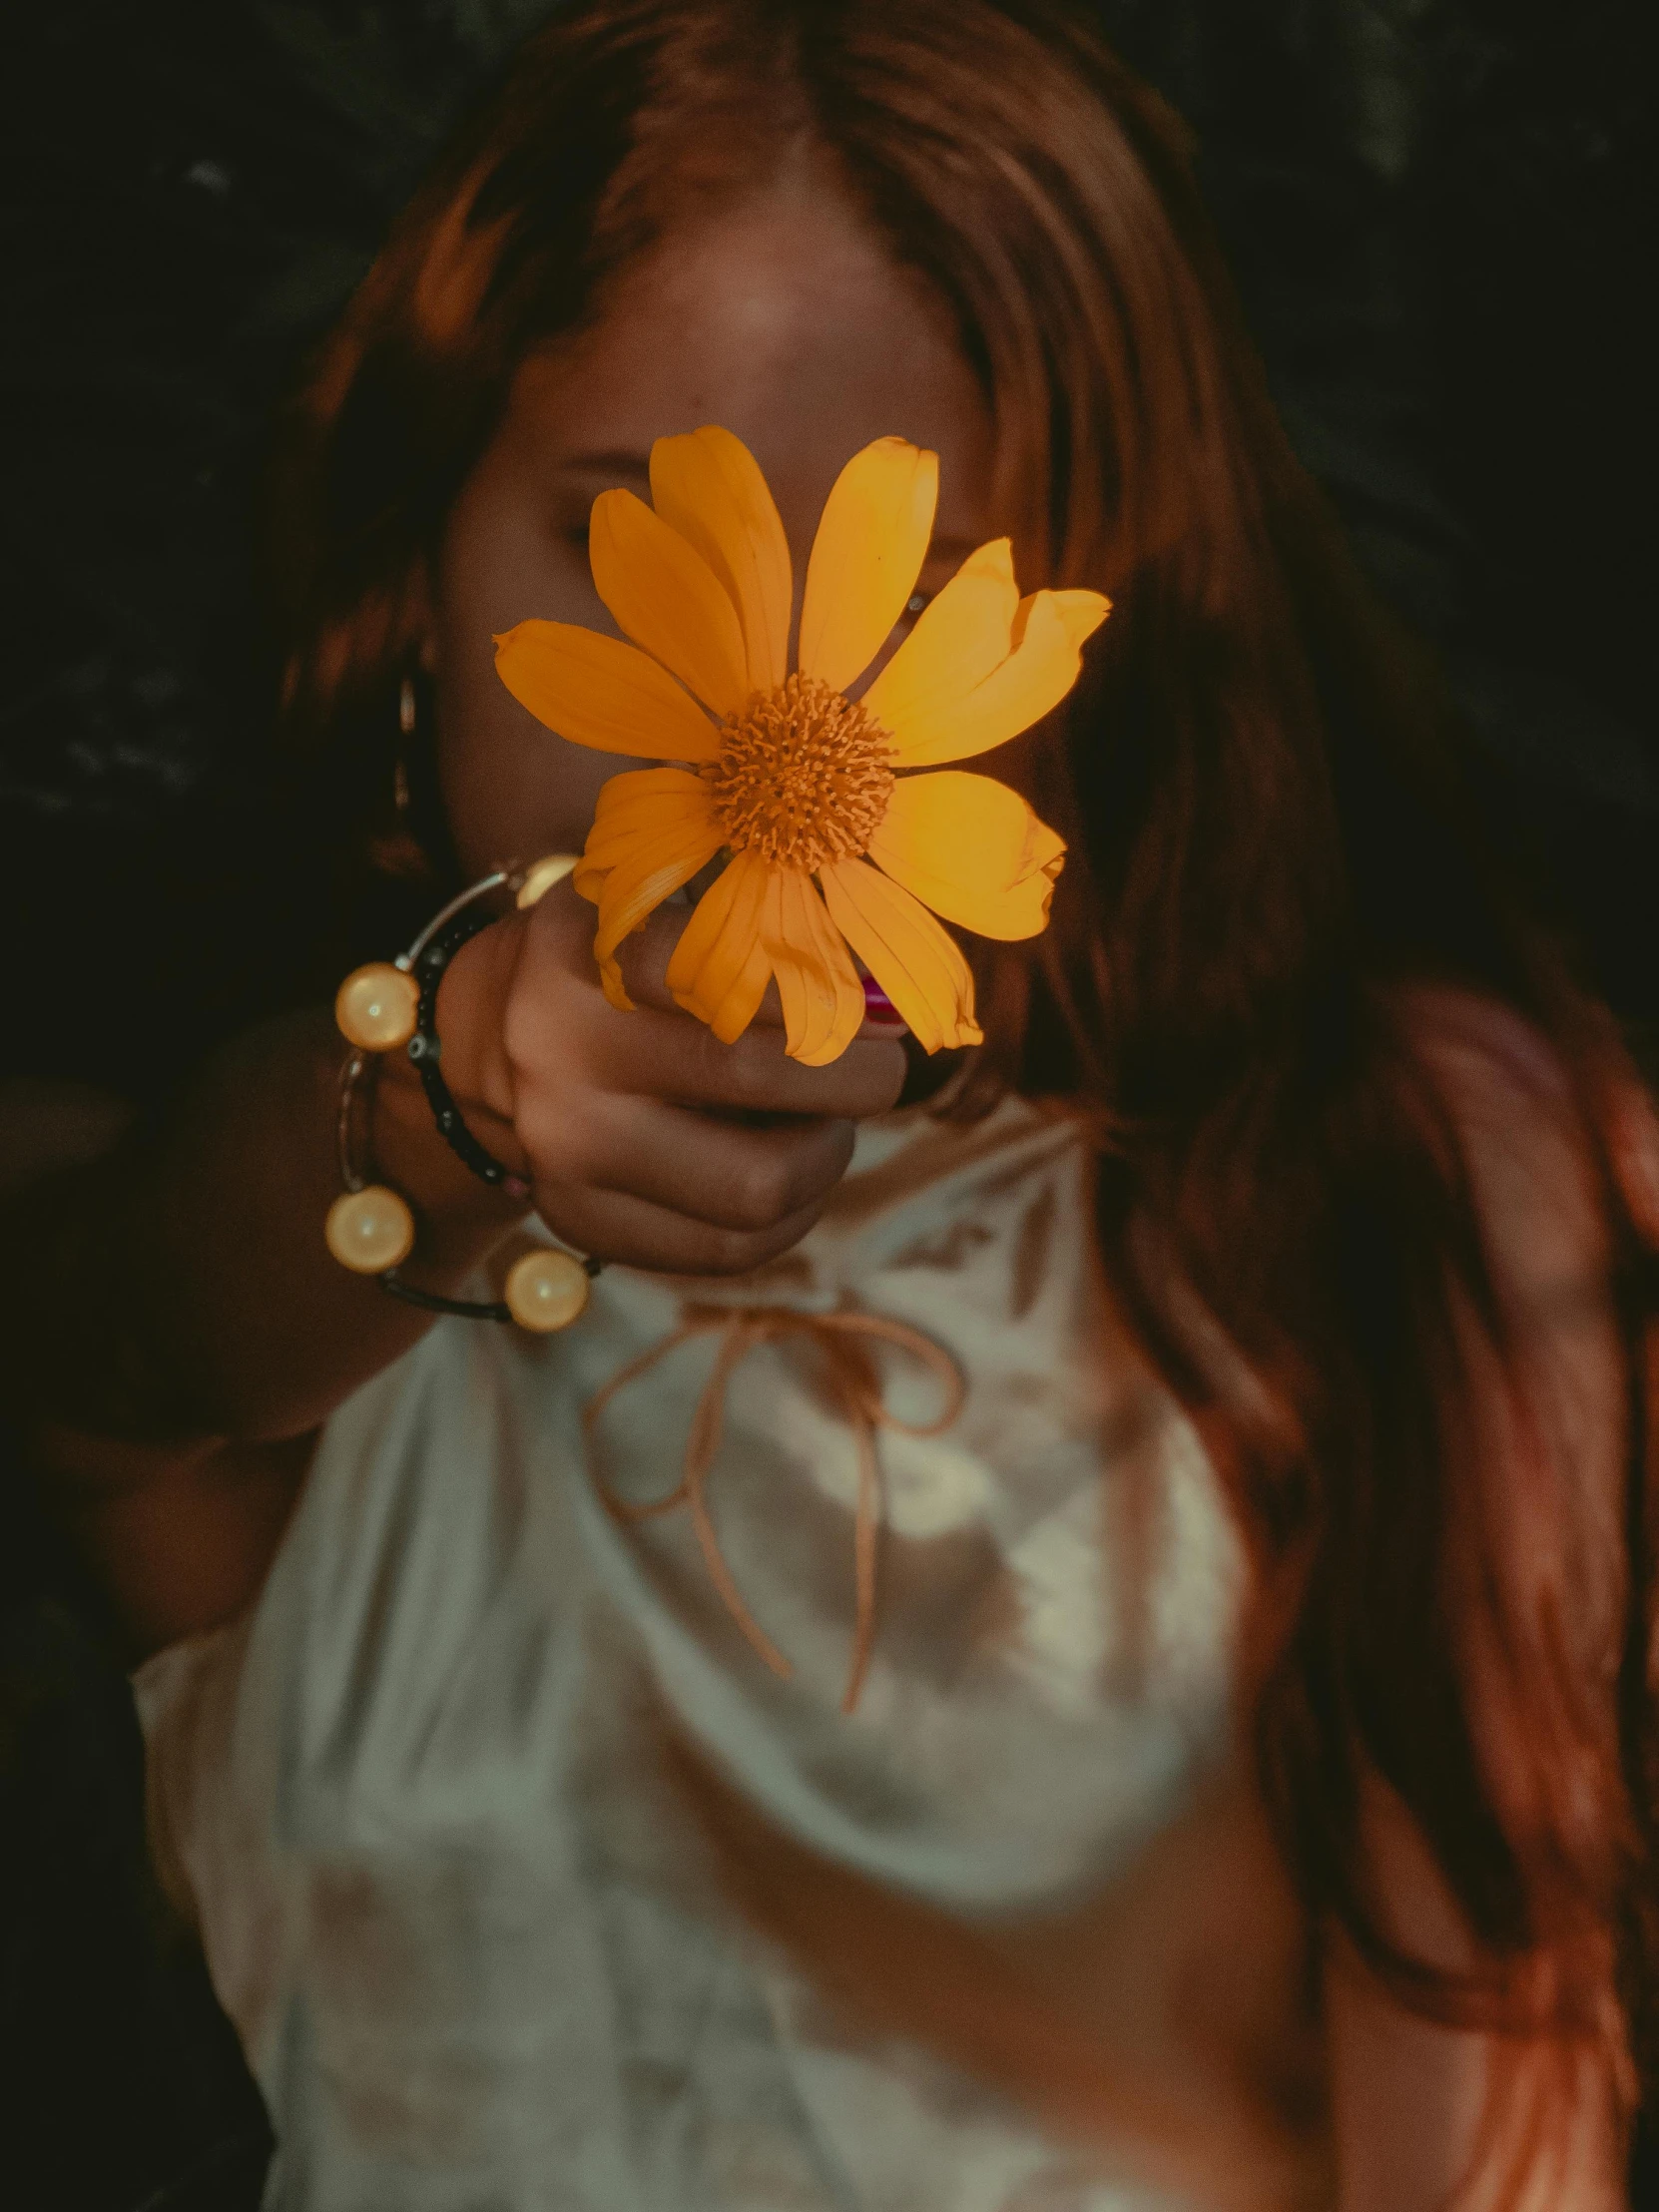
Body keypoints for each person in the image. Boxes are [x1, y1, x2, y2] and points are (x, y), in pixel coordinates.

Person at [2, 2, 1654, 2204]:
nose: (757, 711)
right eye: (624, 536)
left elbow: (1492, 2117)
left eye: (913, 594)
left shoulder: (1382, 1197)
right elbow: (106, 1336)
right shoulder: (257, 1283)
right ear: (417, 576)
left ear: (1096, 656)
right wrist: (440, 1100)